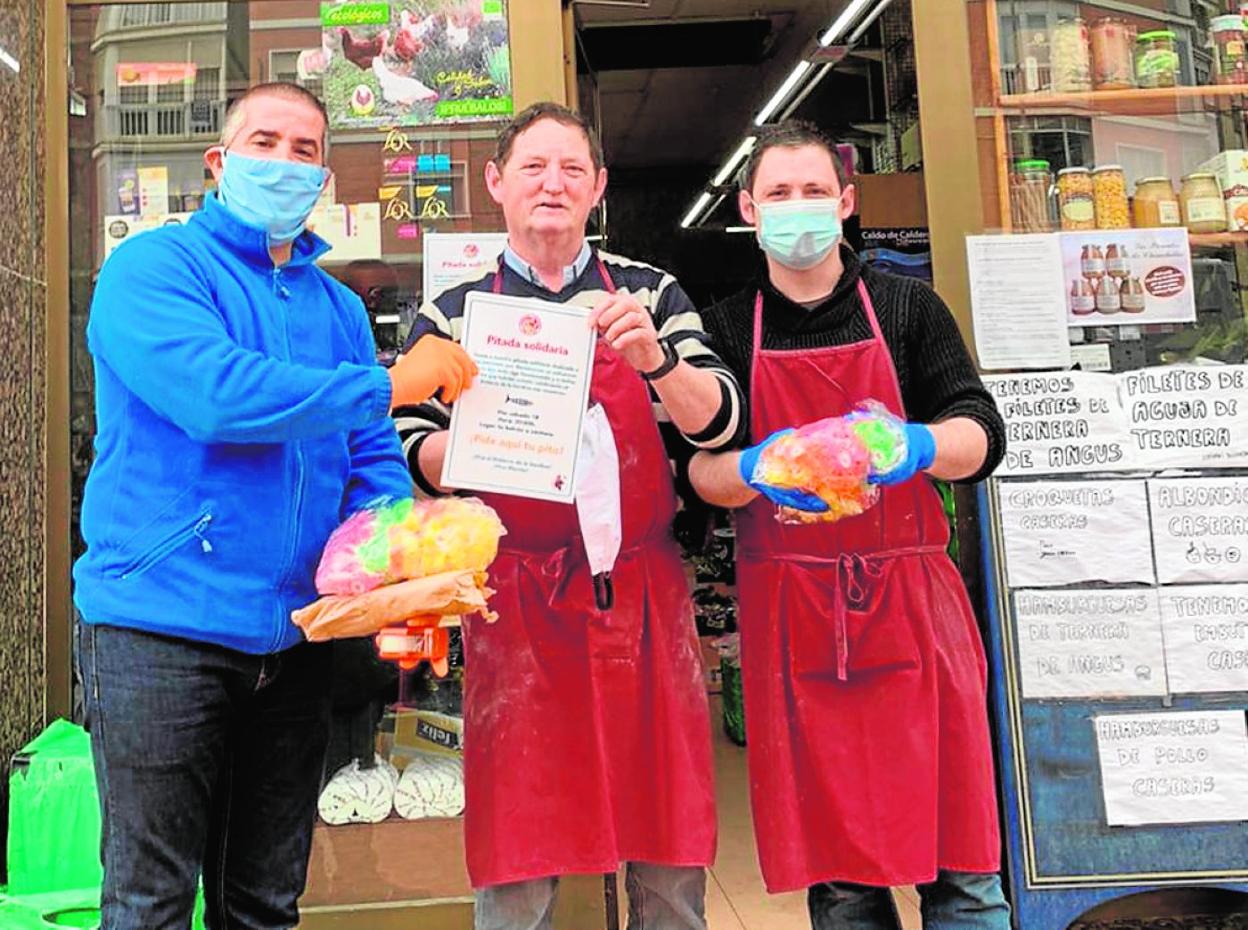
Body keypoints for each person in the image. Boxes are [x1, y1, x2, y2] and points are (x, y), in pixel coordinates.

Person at [72, 82, 475, 930]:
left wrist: (387, 564)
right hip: (162, 630)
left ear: (322, 179)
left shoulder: (336, 308)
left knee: (265, 901)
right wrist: (388, 383)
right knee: (149, 902)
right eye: (264, 143)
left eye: (305, 151)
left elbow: (371, 457)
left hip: (298, 637)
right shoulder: (151, 269)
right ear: (218, 163)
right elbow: (217, 396)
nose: (284, 163)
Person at [393, 101, 746, 930]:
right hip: (515, 604)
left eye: (572, 169)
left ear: (598, 187)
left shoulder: (651, 292)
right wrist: (480, 442)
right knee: (521, 854)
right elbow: (407, 447)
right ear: (496, 182)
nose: (552, 184)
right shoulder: (452, 312)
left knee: (666, 846)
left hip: (643, 597)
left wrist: (657, 360)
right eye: (533, 167)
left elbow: (723, 424)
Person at [688, 120, 1011, 930]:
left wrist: (917, 445)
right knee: (840, 881)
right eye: (779, 192)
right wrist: (757, 468)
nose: (797, 206)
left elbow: (982, 435)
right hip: (795, 620)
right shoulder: (722, 329)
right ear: (749, 210)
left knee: (963, 870)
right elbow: (697, 474)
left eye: (814, 191)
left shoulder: (907, 307)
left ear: (846, 203)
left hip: (912, 604)